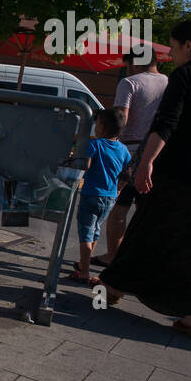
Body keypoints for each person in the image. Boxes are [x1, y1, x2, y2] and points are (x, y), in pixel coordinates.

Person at [99, 15, 191, 341]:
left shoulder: (184, 75)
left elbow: (167, 124)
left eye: (174, 47)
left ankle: (111, 287)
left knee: (148, 227)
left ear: (188, 45)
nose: (172, 55)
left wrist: (146, 162)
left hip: (177, 170)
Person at [98, 52, 168, 264]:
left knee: (119, 208)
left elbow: (121, 119)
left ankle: (113, 256)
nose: (126, 69)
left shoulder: (129, 83)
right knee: (149, 212)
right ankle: (144, 260)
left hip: (130, 151)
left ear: (135, 63)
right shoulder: (171, 84)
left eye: (127, 65)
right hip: (160, 152)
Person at [70, 109, 130, 285]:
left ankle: (84, 272)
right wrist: (119, 189)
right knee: (95, 230)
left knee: (85, 233)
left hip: (91, 194)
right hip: (110, 197)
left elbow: (85, 165)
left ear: (102, 127)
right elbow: (127, 174)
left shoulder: (95, 145)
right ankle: (83, 263)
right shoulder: (123, 150)